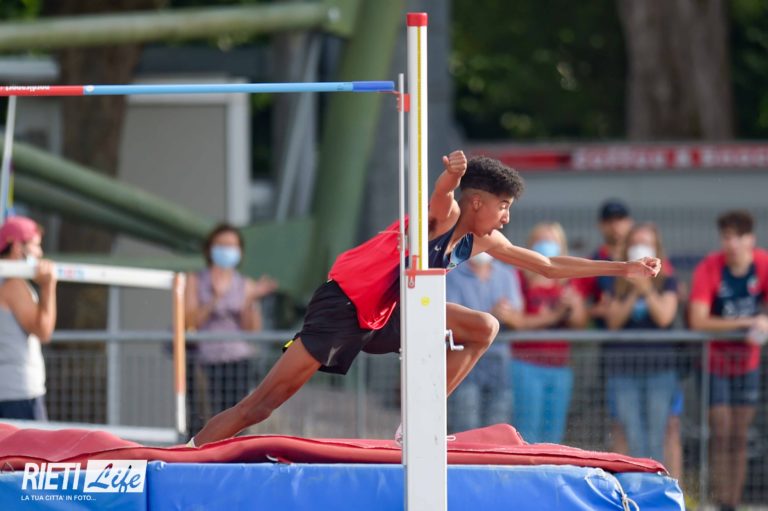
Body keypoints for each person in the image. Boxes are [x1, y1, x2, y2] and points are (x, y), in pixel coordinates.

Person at [188, 151, 660, 447]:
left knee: (485, 327)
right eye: (503, 207)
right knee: (261, 406)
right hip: (343, 307)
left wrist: (624, 268)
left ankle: (417, 421)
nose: (506, 219)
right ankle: (183, 456)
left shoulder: (485, 240)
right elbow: (441, 195)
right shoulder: (446, 215)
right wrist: (450, 176)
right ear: (477, 202)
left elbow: (548, 265)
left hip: (391, 314)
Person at [689, 210, 768, 511]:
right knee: (720, 432)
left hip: (747, 363)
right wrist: (746, 322)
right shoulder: (710, 267)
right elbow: (698, 319)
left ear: (751, 239)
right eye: (727, 237)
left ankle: (733, 502)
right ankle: (720, 499)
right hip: (715, 363)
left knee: (739, 435)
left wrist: (764, 322)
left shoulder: (762, 264)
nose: (732, 243)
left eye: (739, 237)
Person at [184, 224, 278, 434]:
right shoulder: (196, 280)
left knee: (238, 416)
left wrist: (251, 300)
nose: (227, 251)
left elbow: (251, 329)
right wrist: (215, 297)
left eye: (232, 246)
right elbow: (189, 321)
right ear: (210, 249)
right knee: (206, 416)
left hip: (237, 360)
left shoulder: (245, 283)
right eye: (222, 245)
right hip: (205, 359)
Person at [603, 223, 679, 462]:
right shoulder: (616, 282)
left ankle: (654, 482)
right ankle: (634, 482)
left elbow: (665, 317)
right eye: (635, 243)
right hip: (623, 369)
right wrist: (634, 289)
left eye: (646, 243)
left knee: (657, 434)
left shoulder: (668, 281)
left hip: (660, 368)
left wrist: (646, 289)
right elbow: (613, 321)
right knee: (631, 433)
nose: (640, 248)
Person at [507, 222, 587, 444]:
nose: (546, 246)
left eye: (551, 241)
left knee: (554, 434)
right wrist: (555, 315)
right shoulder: (519, 277)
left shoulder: (567, 280)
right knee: (528, 432)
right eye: (541, 241)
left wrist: (572, 307)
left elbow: (579, 323)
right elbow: (517, 321)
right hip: (526, 364)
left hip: (560, 366)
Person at [445, 252, 523, 432]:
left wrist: (507, 316)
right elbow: (452, 321)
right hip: (465, 366)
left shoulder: (506, 274)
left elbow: (519, 318)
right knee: (466, 428)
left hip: (500, 366)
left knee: (498, 428)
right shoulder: (452, 275)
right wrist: (491, 315)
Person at [0, 216, 57, 420]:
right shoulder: (13, 285)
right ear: (17, 247)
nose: (39, 253)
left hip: (8, 391)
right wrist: (48, 286)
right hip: (18, 394)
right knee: (32, 442)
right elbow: (43, 331)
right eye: (35, 245)